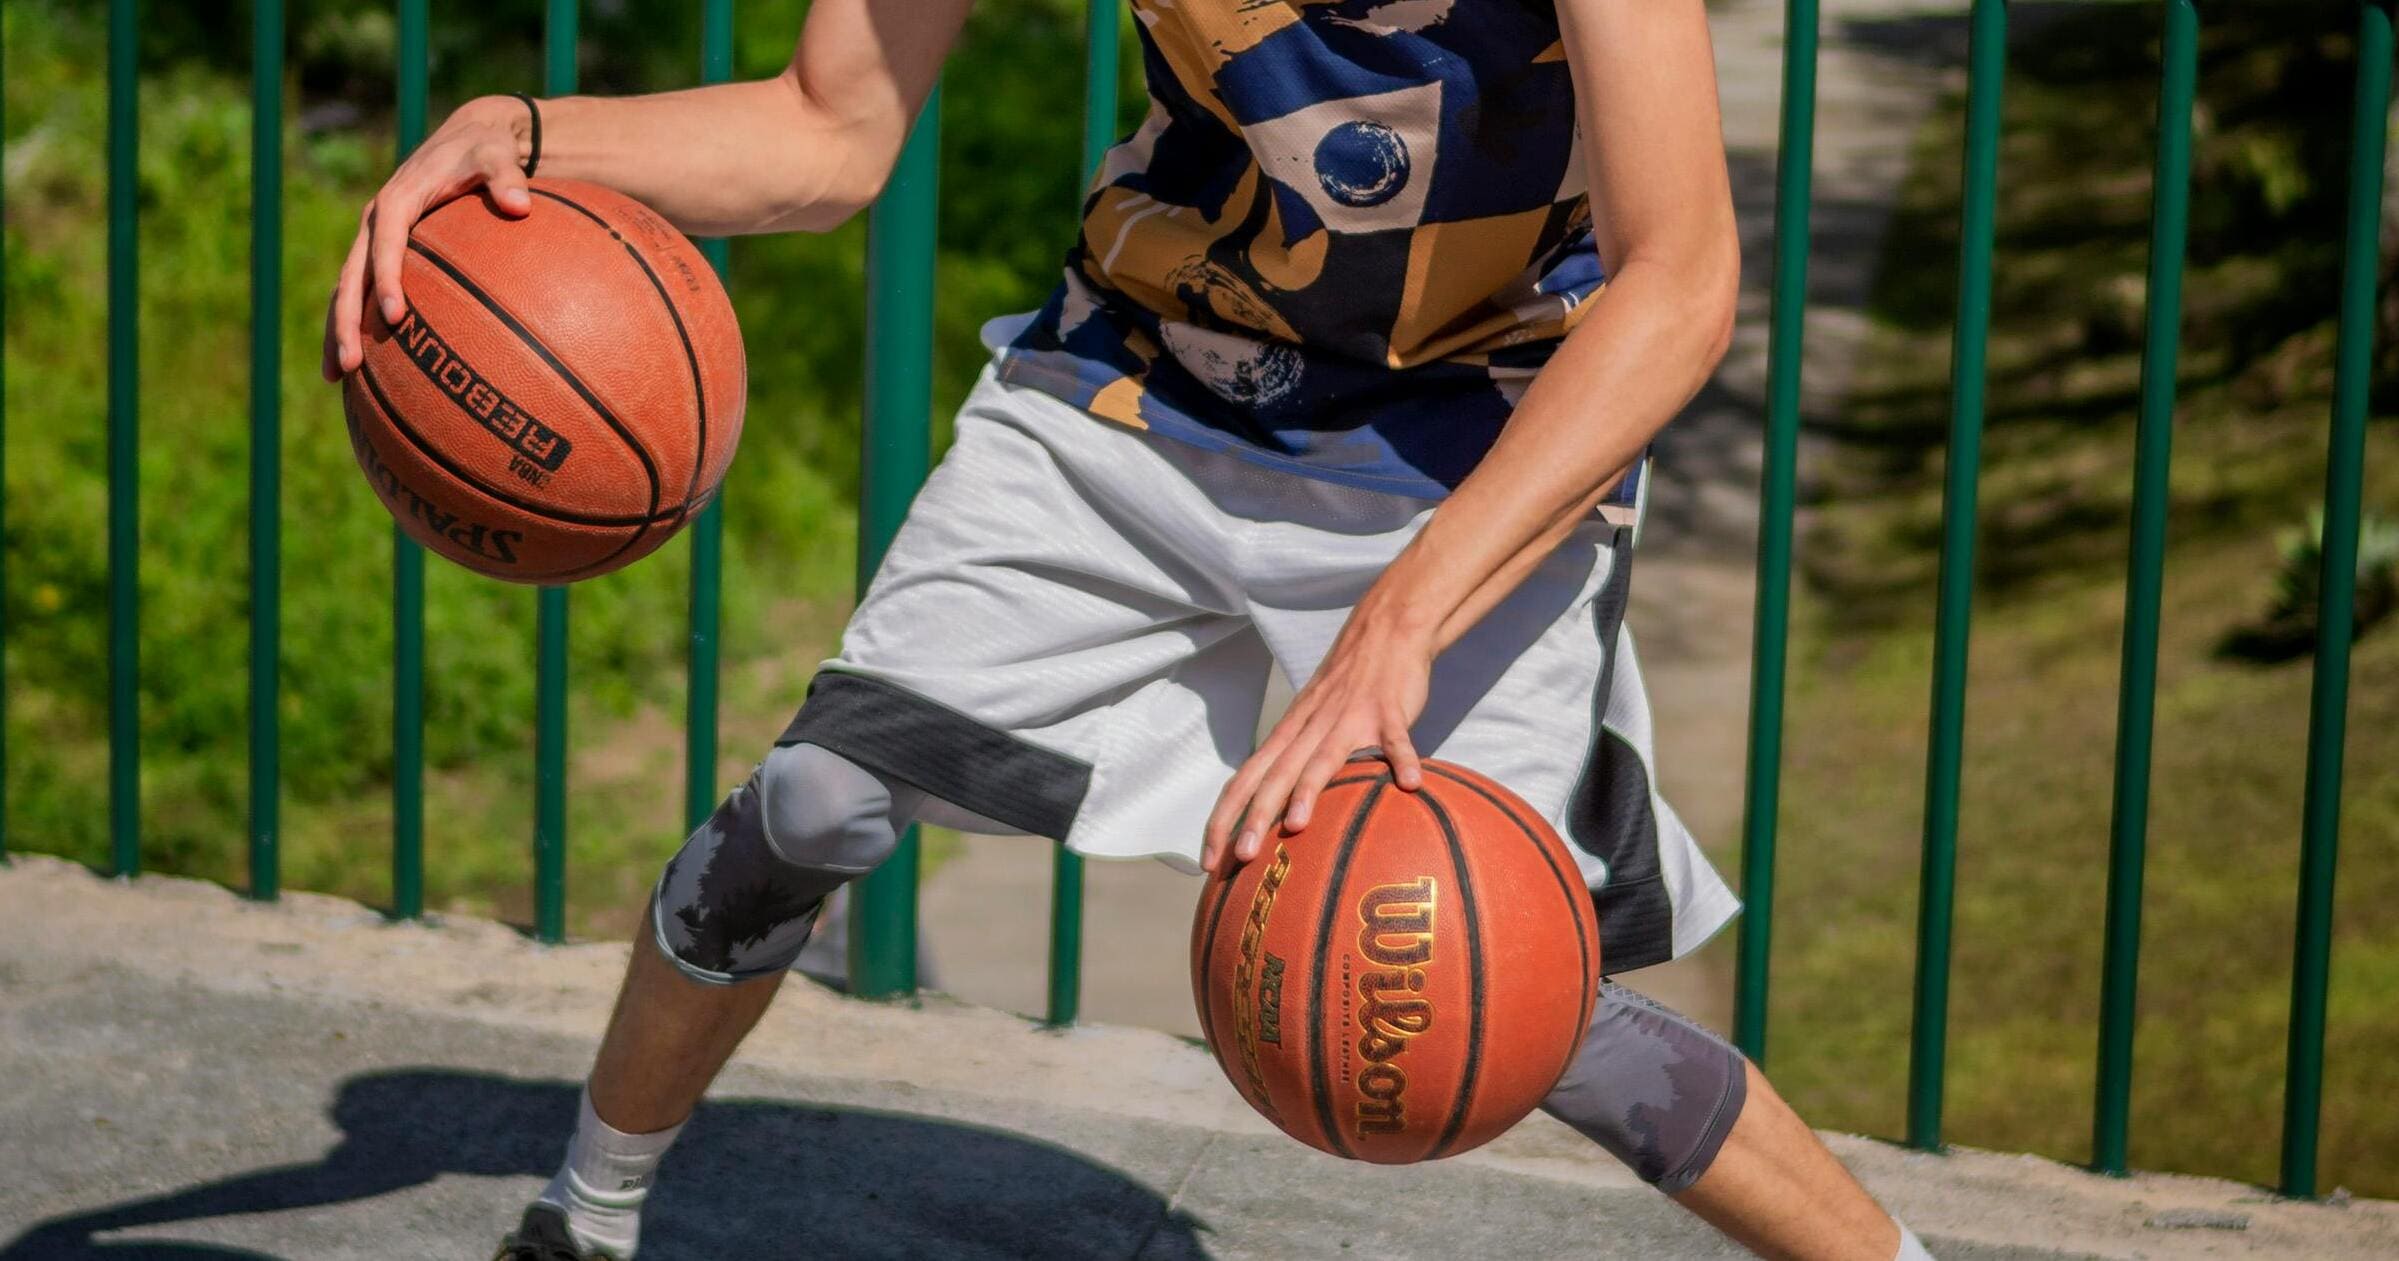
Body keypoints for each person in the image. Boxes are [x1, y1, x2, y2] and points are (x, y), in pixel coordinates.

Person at [324, 3, 1935, 1258]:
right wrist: (526, 133)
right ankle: (584, 1215)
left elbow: (1680, 281)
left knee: (1511, 993)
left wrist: (1403, 616)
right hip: (1144, 383)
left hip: (1472, 438)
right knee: (814, 797)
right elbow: (828, 129)